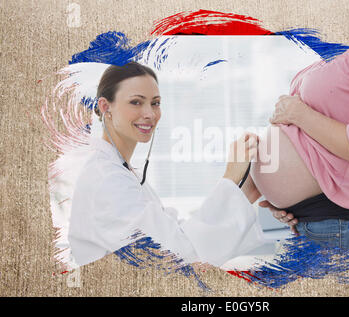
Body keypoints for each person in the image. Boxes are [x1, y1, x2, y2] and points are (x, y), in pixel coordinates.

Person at [68, 61, 265, 268]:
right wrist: (230, 177)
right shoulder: (106, 180)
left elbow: (175, 234)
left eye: (155, 103)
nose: (150, 114)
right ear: (105, 107)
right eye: (136, 102)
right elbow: (180, 255)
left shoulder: (121, 172)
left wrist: (247, 191)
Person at [243, 38, 349, 254]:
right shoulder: (337, 50)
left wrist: (298, 113)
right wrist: (283, 200)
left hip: (340, 224)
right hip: (312, 221)